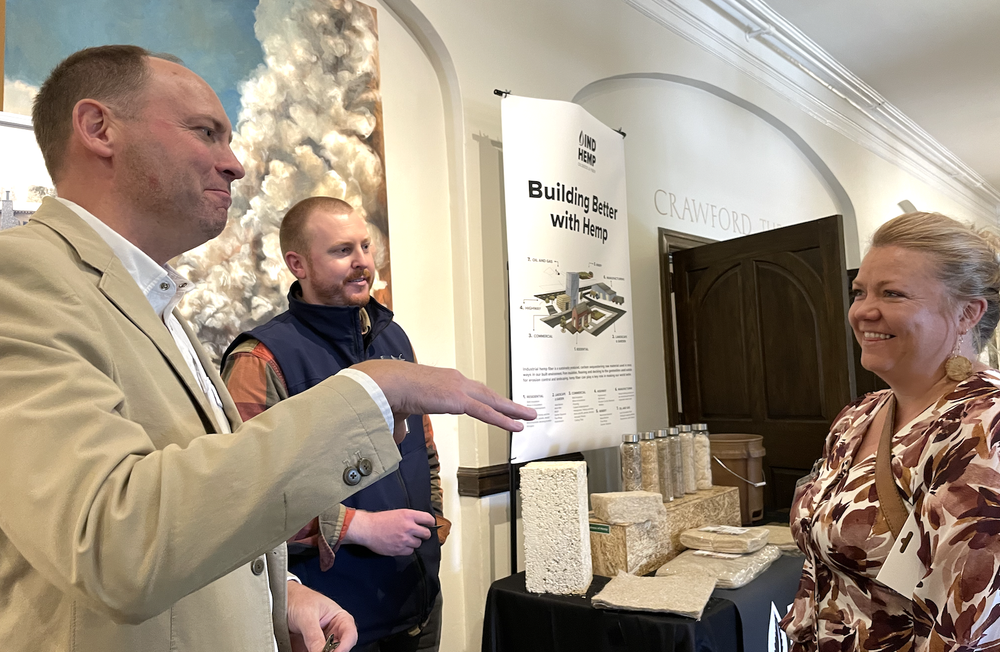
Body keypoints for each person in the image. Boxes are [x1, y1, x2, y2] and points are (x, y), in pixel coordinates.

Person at [0, 45, 533, 652]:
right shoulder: (20, 278)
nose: (234, 164)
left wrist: (282, 595)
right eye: (206, 132)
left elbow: (206, 502)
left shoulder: (155, 302)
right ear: (99, 128)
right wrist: (373, 390)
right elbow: (108, 541)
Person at [221, 197, 448, 651]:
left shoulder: (392, 337)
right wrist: (358, 525)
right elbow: (243, 497)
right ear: (298, 264)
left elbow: (421, 447)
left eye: (365, 245)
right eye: (342, 251)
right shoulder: (261, 360)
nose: (362, 261)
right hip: (334, 622)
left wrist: (435, 518)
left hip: (418, 605)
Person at [781, 211, 1000, 651]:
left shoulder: (984, 428)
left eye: (892, 293)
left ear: (967, 313)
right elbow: (819, 567)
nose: (863, 311)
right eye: (859, 292)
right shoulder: (859, 415)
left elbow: (961, 632)